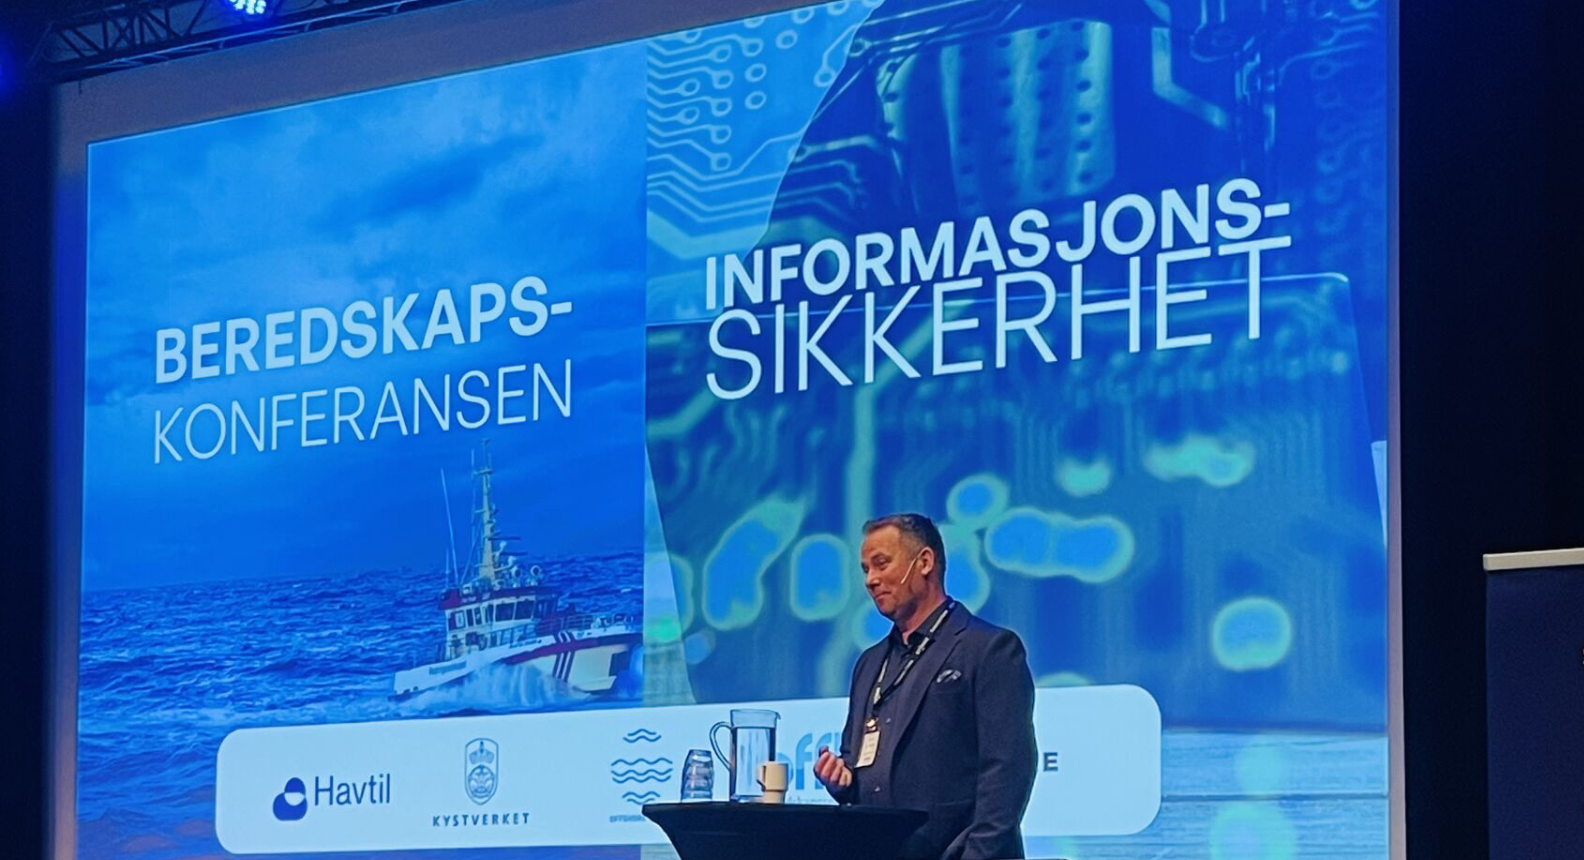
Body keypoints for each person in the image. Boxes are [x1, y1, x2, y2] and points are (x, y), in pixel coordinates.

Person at [815, 513, 1037, 860]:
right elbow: (859, 766)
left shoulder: (988, 649)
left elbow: (1007, 772)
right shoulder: (869, 664)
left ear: (924, 562)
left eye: (881, 564)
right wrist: (842, 781)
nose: (871, 580)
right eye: (865, 570)